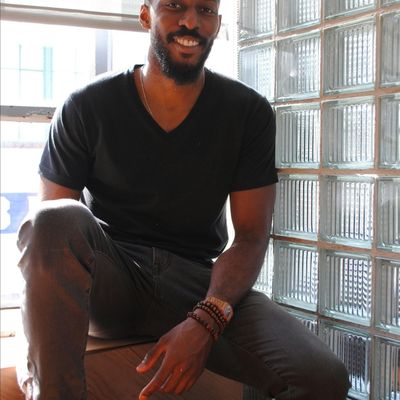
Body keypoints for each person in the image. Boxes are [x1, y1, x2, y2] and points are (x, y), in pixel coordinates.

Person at [16, 0, 351, 399]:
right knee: (51, 219)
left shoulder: (247, 112)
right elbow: (52, 244)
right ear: (146, 15)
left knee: (322, 377)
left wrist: (207, 319)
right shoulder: (87, 105)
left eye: (205, 10)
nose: (191, 21)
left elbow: (250, 236)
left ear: (218, 24)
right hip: (112, 280)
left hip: (196, 283)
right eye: (175, 5)